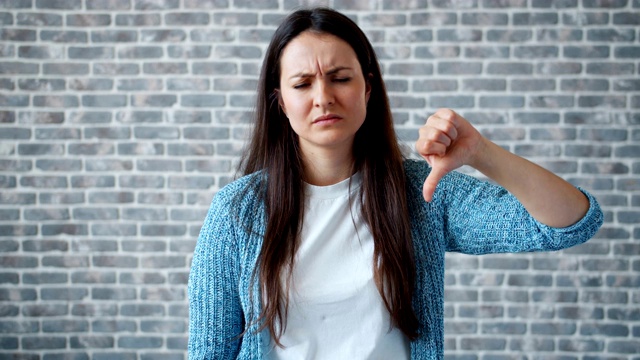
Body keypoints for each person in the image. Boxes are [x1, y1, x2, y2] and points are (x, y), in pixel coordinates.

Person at [187, 7, 603, 360]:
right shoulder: (237, 211)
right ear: (280, 101)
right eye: (302, 84)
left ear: (368, 87)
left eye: (340, 78)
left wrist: (481, 152)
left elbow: (570, 222)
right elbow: (210, 352)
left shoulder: (420, 193)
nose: (323, 97)